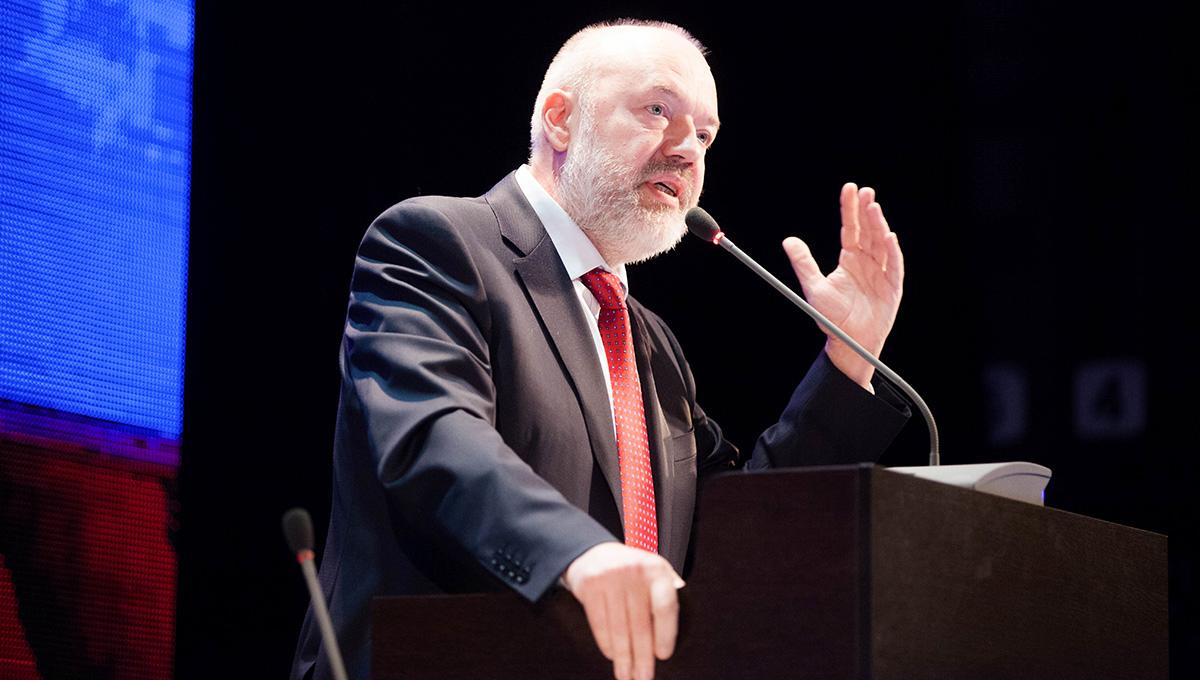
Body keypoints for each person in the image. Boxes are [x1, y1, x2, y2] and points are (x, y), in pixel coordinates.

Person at [291, 19, 909, 680]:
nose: (688, 151)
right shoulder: (437, 243)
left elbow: (737, 531)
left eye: (705, 135)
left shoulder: (651, 342)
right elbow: (432, 436)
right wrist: (575, 554)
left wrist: (849, 361)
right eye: (658, 111)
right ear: (561, 120)